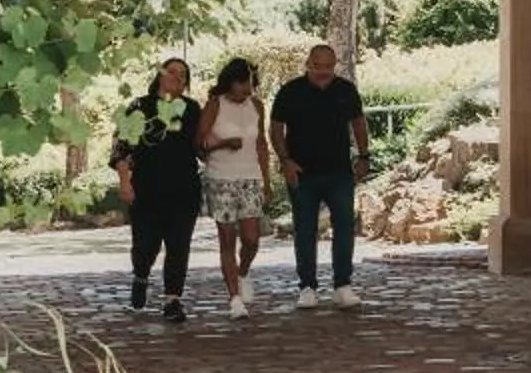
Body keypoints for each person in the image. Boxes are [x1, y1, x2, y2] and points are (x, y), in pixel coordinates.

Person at [270, 42, 370, 308]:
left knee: (345, 228)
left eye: (328, 66)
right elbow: (276, 128)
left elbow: (359, 122)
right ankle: (307, 286)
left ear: (334, 65)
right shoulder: (291, 92)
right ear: (308, 64)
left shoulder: (346, 91)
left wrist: (364, 155)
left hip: (339, 171)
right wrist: (285, 161)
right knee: (304, 230)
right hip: (302, 173)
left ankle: (342, 284)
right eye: (318, 66)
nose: (323, 72)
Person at [111, 56, 202, 322]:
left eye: (183, 74)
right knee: (146, 244)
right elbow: (122, 148)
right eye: (172, 72)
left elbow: (200, 143)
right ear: (160, 75)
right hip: (147, 187)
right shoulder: (140, 106)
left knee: (178, 244)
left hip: (184, 187)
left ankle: (173, 299)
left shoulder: (191, 108)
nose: (178, 78)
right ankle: (140, 276)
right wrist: (125, 182)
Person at [199, 56, 275, 319]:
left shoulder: (257, 106)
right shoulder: (214, 105)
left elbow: (262, 143)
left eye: (251, 84)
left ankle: (243, 274)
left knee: (252, 239)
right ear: (230, 82)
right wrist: (222, 144)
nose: (247, 89)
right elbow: (199, 144)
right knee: (227, 239)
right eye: (242, 83)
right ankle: (234, 299)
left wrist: (266, 180)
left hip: (250, 177)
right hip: (220, 178)